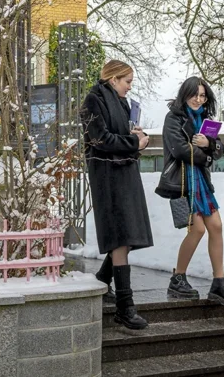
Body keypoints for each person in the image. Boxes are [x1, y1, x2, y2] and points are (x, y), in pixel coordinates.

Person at [155, 77, 224, 307]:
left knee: (217, 227)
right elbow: (181, 150)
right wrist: (207, 153)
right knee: (198, 229)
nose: (198, 99)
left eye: (203, 95)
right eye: (195, 94)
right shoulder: (173, 118)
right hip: (182, 182)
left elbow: (220, 148)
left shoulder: (205, 120)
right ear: (186, 93)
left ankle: (218, 282)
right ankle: (178, 278)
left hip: (201, 181)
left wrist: (209, 145)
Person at [81, 59, 153, 330]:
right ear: (113, 79)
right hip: (107, 177)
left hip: (125, 174)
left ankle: (103, 278)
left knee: (129, 233)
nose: (129, 87)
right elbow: (99, 140)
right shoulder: (93, 100)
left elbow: (121, 139)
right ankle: (125, 306)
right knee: (121, 236)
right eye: (127, 81)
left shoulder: (122, 103)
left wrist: (138, 137)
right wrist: (134, 142)